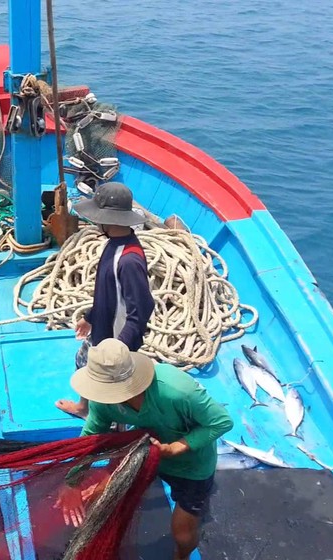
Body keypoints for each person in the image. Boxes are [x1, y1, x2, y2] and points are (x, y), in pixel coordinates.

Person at [57, 338, 233, 560]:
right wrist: (72, 480)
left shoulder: (176, 390)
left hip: (192, 464)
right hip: (145, 452)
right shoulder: (102, 401)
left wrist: (177, 447)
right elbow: (92, 435)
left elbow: (221, 422)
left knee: (182, 532)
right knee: (99, 493)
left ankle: (182, 556)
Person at [55, 181, 154, 419]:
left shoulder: (129, 261)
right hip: (102, 330)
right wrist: (90, 317)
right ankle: (84, 407)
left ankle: (114, 422)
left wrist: (119, 348)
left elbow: (141, 309)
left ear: (107, 220)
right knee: (83, 362)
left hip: (118, 340)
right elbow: (108, 293)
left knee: (112, 385)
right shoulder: (113, 244)